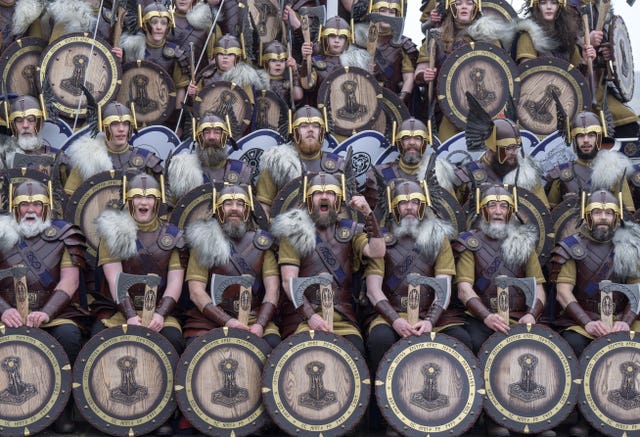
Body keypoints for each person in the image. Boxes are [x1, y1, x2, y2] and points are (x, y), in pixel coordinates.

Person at [364, 178, 471, 434]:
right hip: (392, 313)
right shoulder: (384, 240)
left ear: (423, 206)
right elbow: (373, 289)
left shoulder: (439, 238)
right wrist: (395, 320)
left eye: (415, 202)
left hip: (431, 313)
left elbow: (443, 286)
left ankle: (451, 413)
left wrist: (430, 320)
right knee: (380, 339)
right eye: (403, 203)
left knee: (461, 338)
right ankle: (386, 416)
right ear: (394, 207)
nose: (410, 207)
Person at [453, 185, 548, 437]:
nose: (497, 211)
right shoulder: (470, 243)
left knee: (535, 352)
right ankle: (493, 418)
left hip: (519, 316)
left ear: (510, 211)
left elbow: (538, 288)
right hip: (481, 317)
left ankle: (532, 418)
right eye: (492, 205)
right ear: (483, 210)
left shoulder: (523, 242)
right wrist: (487, 316)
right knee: (478, 345)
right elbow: (464, 288)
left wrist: (532, 315)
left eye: (503, 206)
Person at [550, 188, 640, 437]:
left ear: (617, 217)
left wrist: (626, 321)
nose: (603, 217)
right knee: (575, 345)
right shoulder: (571, 247)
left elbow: (637, 290)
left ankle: (628, 414)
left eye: (609, 213)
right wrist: (588, 323)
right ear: (587, 215)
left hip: (623, 318)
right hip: (583, 319)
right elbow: (563, 293)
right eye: (597, 212)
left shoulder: (629, 246)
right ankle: (583, 416)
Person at [0, 178, 86, 433]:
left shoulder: (65, 235)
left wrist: (46, 313)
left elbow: (70, 282)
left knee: (69, 335)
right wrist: (5, 311)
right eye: (23, 203)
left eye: (37, 204)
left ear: (47, 207)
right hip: (7, 311)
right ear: (14, 207)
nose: (30, 209)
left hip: (53, 311)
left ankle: (62, 408)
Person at [271, 172, 385, 357]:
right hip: (303, 318)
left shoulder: (350, 231)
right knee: (302, 357)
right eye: (318, 193)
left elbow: (377, 251)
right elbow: (288, 282)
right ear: (309, 199)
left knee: (356, 355)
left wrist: (368, 214)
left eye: (330, 193)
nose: (324, 196)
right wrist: (311, 317)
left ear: (338, 199)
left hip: (343, 318)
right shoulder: (293, 231)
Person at [183, 183, 280, 348]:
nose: (234, 208)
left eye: (240, 204)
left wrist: (260, 324)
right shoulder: (203, 241)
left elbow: (273, 290)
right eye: (228, 204)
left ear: (248, 210)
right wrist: (227, 321)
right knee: (196, 346)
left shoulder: (263, 243)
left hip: (253, 317)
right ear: (218, 208)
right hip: (209, 320)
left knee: (272, 343)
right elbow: (196, 292)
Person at [414, 0, 509, 141]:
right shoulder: (435, 38)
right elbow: (420, 70)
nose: (464, 6)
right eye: (458, 3)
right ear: (450, 7)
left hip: (483, 106)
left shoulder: (489, 39)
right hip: (446, 108)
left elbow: (501, 73)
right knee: (446, 151)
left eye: (469, 3)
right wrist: (424, 75)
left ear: (476, 8)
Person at [256, 105, 346, 217]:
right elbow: (264, 208)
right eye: (303, 125)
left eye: (316, 126)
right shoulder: (277, 163)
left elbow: (348, 210)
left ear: (323, 131)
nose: (310, 130)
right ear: (294, 131)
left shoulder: (338, 165)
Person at [62, 101, 163, 195]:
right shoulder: (86, 159)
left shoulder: (146, 159)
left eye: (126, 124)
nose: (121, 129)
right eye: (114, 124)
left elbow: (162, 199)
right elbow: (71, 198)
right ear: (103, 127)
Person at [546, 111, 634, 212]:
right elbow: (552, 217)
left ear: (598, 138)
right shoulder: (561, 173)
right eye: (580, 136)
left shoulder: (615, 172)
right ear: (574, 140)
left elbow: (627, 215)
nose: (586, 140)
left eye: (591, 135)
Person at [454, 116, 549, 208]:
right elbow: (455, 215)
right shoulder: (467, 174)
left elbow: (541, 211)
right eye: (509, 148)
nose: (514, 153)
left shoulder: (528, 174)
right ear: (492, 147)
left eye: (516, 147)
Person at [363, 116, 456, 208]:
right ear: (399, 143)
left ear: (425, 142)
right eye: (406, 138)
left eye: (418, 138)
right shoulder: (380, 174)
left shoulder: (439, 174)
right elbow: (373, 217)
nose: (412, 142)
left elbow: (450, 213)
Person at [119, 2, 192, 111]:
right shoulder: (130, 50)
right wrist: (118, 61)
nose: (159, 27)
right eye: (154, 22)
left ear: (168, 26)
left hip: (164, 112)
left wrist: (177, 120)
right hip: (133, 109)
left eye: (163, 23)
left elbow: (180, 88)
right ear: (145, 24)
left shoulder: (175, 52)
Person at [166, 113, 253, 201]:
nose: (211, 137)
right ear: (199, 137)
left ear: (224, 137)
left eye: (217, 132)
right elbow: (173, 210)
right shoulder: (183, 171)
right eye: (206, 132)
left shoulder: (241, 170)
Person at [354, 0, 418, 102]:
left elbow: (409, 79)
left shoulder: (403, 44)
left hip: (392, 100)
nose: (387, 15)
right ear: (373, 11)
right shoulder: (358, 40)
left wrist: (400, 100)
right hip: (363, 98)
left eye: (392, 12)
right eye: (382, 10)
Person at [0, 95, 58, 174]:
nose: (25, 125)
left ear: (40, 123)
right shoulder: (2, 156)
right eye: (19, 121)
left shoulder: (58, 158)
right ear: (13, 126)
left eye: (31, 120)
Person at [260, 40, 303, 106]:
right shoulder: (259, 82)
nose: (278, 64)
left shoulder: (288, 83)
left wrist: (295, 73)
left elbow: (298, 96)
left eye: (282, 61)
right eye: (273, 61)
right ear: (265, 63)